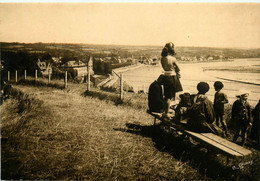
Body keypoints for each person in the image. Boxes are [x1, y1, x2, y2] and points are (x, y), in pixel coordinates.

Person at [160, 42, 183, 118]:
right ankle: (166, 113)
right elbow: (178, 68)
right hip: (172, 77)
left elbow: (165, 67)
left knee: (166, 96)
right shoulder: (173, 59)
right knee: (170, 96)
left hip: (165, 77)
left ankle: (165, 110)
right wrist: (175, 68)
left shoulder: (162, 58)